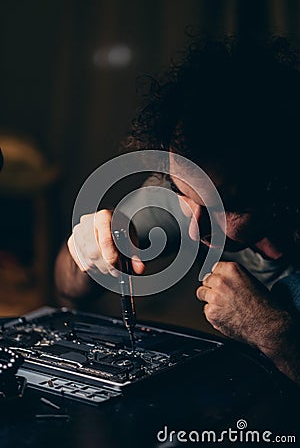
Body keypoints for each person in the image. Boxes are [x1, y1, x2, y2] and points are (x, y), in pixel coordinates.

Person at [55, 36, 300, 385]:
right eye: (183, 192)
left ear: (280, 187)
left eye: (221, 206)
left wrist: (276, 335)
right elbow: (68, 290)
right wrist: (82, 254)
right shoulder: (182, 189)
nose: (193, 227)